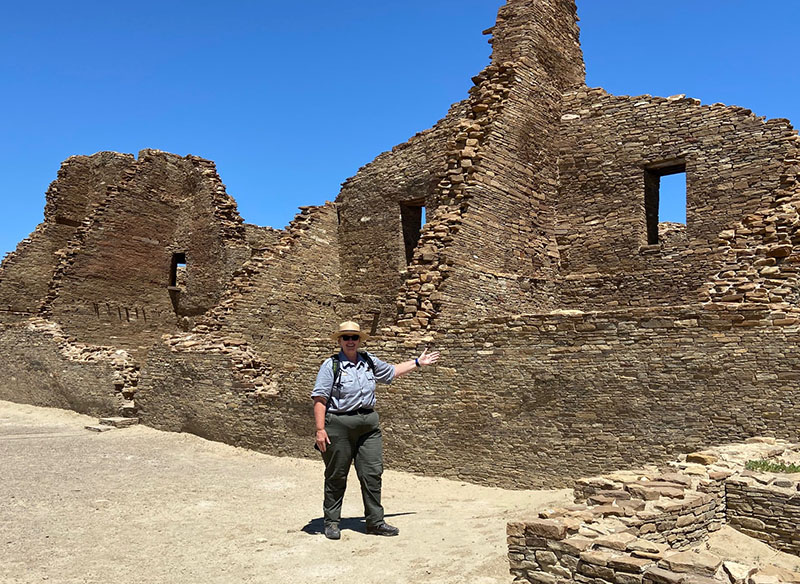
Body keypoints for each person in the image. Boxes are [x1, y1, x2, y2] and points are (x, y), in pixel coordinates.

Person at [311, 321, 440, 540]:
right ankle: (332, 521)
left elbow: (391, 372)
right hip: (339, 424)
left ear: (359, 340)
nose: (350, 341)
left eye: (354, 337)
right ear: (340, 341)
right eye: (346, 338)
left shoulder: (368, 360)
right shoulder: (331, 365)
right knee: (336, 474)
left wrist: (418, 362)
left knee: (372, 472)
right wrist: (320, 429)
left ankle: (375, 522)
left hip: (368, 425)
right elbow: (320, 397)